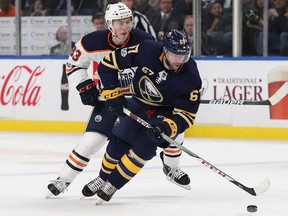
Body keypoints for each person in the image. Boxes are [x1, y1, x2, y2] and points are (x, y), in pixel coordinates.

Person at [47, 3, 190, 198]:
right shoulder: (91, 42)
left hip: (141, 101)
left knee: (173, 130)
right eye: (119, 23)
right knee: (91, 141)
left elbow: (160, 66)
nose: (125, 27)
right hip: (109, 100)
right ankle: (63, 180)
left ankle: (171, 167)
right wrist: (84, 86)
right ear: (109, 24)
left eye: (128, 22)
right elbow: (73, 65)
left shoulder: (144, 40)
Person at [87, 29, 202, 204]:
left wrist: (167, 127)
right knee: (119, 142)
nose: (179, 60)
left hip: (165, 112)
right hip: (139, 102)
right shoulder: (147, 49)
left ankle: (113, 184)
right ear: (165, 50)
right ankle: (102, 178)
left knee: (145, 147)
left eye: (183, 55)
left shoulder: (191, 76)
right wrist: (113, 92)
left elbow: (187, 115)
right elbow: (109, 63)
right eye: (174, 55)